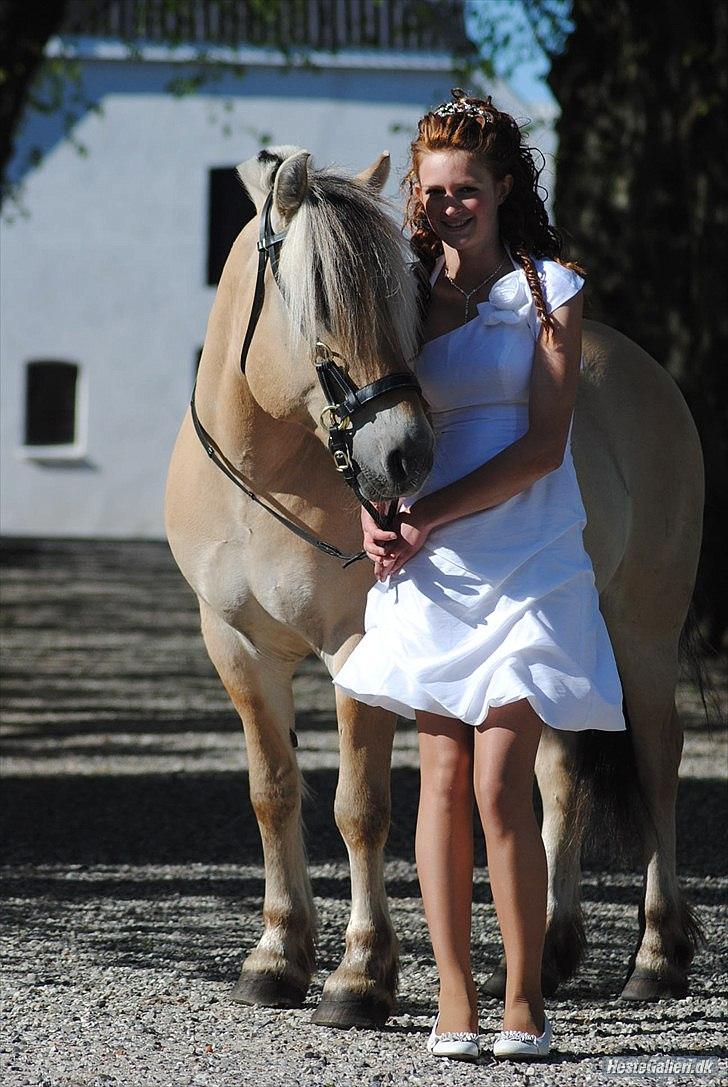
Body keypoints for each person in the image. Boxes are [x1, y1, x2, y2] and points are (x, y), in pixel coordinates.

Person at [333, 88, 626, 1063]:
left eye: (466, 189)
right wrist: (379, 516)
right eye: (433, 191)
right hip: (428, 567)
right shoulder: (403, 299)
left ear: (501, 187)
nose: (449, 204)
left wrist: (417, 517)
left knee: (505, 781)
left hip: (531, 559)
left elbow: (543, 446)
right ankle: (452, 1000)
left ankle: (523, 999)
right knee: (443, 781)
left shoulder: (549, 291)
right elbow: (370, 417)